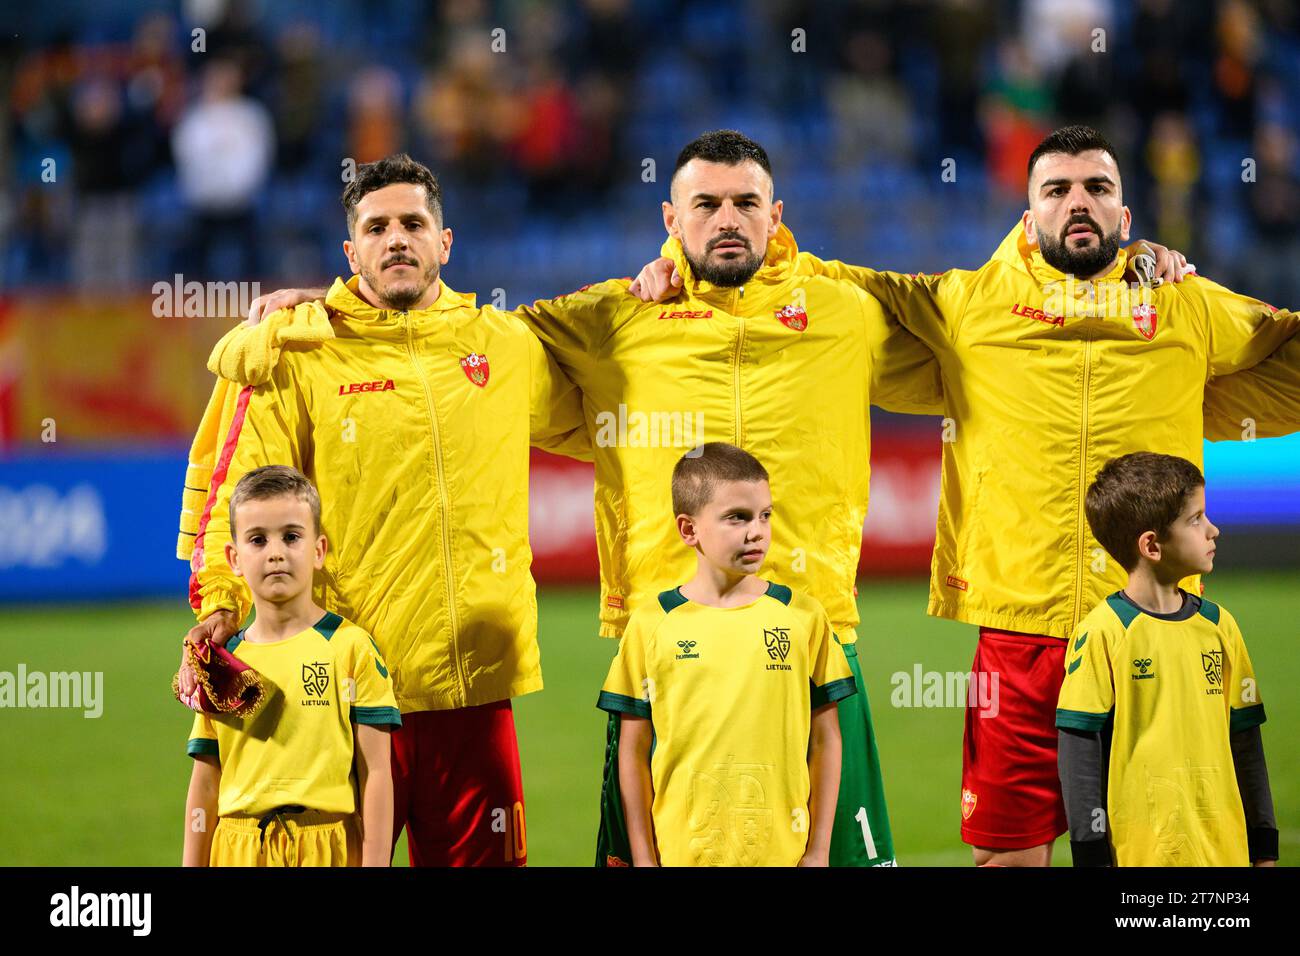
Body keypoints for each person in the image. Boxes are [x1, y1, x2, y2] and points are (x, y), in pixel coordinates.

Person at [212, 130, 941, 867]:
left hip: (813, 642)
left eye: (745, 203)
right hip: (664, 650)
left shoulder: (845, 310)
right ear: (671, 220)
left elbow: (970, 326)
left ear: (776, 214)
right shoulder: (609, 320)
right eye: (706, 204)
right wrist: (325, 311)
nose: (727, 219)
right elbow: (425, 344)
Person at [633, 124, 1298, 866]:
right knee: (1007, 858)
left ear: (1127, 219)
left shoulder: (1186, 305)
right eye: (1056, 190)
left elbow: (1285, 356)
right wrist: (673, 267)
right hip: (1018, 632)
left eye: (1098, 189)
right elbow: (792, 277)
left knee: (1160, 859)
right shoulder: (967, 306)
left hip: (1158, 628)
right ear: (1027, 216)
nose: (1078, 204)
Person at [177, 153, 592, 866]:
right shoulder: (301, 349)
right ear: (351, 249)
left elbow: (608, 408)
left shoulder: (503, 345)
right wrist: (217, 604)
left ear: (445, 241)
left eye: (412, 223)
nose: (396, 238)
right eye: (376, 227)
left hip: (471, 690)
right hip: (338, 690)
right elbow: (240, 485)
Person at [599, 443, 852, 866]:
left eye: (765, 515)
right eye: (737, 517)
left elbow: (826, 740)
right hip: (682, 853)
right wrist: (643, 857)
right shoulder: (651, 624)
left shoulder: (803, 617)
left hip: (781, 855)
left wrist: (819, 850)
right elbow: (632, 750)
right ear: (688, 529)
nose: (757, 531)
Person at [1057, 452, 1277, 867]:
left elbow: (1245, 741)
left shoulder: (1221, 626)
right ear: (1152, 545)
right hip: (1141, 856)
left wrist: (1263, 847)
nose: (1213, 529)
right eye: (1196, 520)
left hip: (1225, 853)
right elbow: (1079, 750)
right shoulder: (1104, 632)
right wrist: (1090, 855)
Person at [183, 466, 399, 867]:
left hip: (328, 846)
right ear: (234, 557)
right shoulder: (224, 662)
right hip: (238, 850)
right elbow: (205, 783)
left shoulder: (351, 648)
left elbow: (377, 776)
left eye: (291, 536)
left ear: (318, 550)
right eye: (258, 540)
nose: (276, 552)